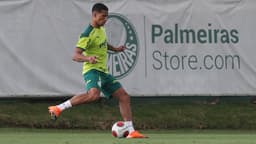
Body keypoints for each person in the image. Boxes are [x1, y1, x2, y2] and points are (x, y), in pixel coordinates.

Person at [48, 3, 146, 138]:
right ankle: (58, 108)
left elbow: (103, 44)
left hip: (103, 71)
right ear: (94, 15)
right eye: (102, 16)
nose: (105, 19)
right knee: (93, 94)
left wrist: (116, 49)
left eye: (106, 17)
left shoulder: (101, 29)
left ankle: (131, 131)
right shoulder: (87, 34)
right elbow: (75, 55)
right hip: (92, 70)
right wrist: (88, 58)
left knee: (124, 97)